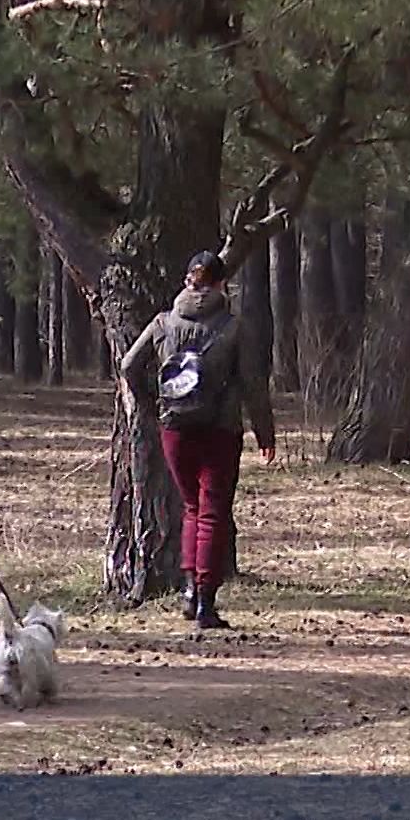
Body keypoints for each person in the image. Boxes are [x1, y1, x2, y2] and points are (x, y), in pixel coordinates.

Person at [120, 250, 276, 631]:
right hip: (220, 431)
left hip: (174, 428)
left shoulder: (163, 322)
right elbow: (253, 383)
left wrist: (153, 403)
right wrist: (265, 432)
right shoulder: (234, 328)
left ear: (187, 282)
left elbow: (128, 365)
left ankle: (190, 590)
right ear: (222, 285)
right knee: (212, 513)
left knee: (192, 507)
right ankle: (205, 600)